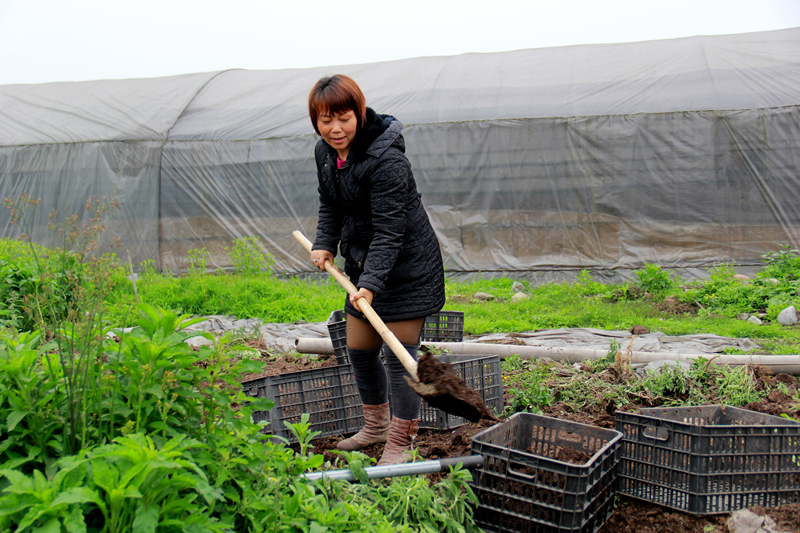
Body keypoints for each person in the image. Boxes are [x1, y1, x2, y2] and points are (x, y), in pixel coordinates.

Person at [307, 75, 445, 465]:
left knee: (400, 357)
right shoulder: (325, 153)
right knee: (360, 349)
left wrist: (369, 284)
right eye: (325, 120)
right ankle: (377, 426)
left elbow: (390, 231)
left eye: (344, 118)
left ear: (360, 113)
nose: (335, 129)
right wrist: (324, 242)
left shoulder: (387, 161)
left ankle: (401, 440)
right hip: (365, 264)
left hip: (407, 268)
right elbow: (330, 203)